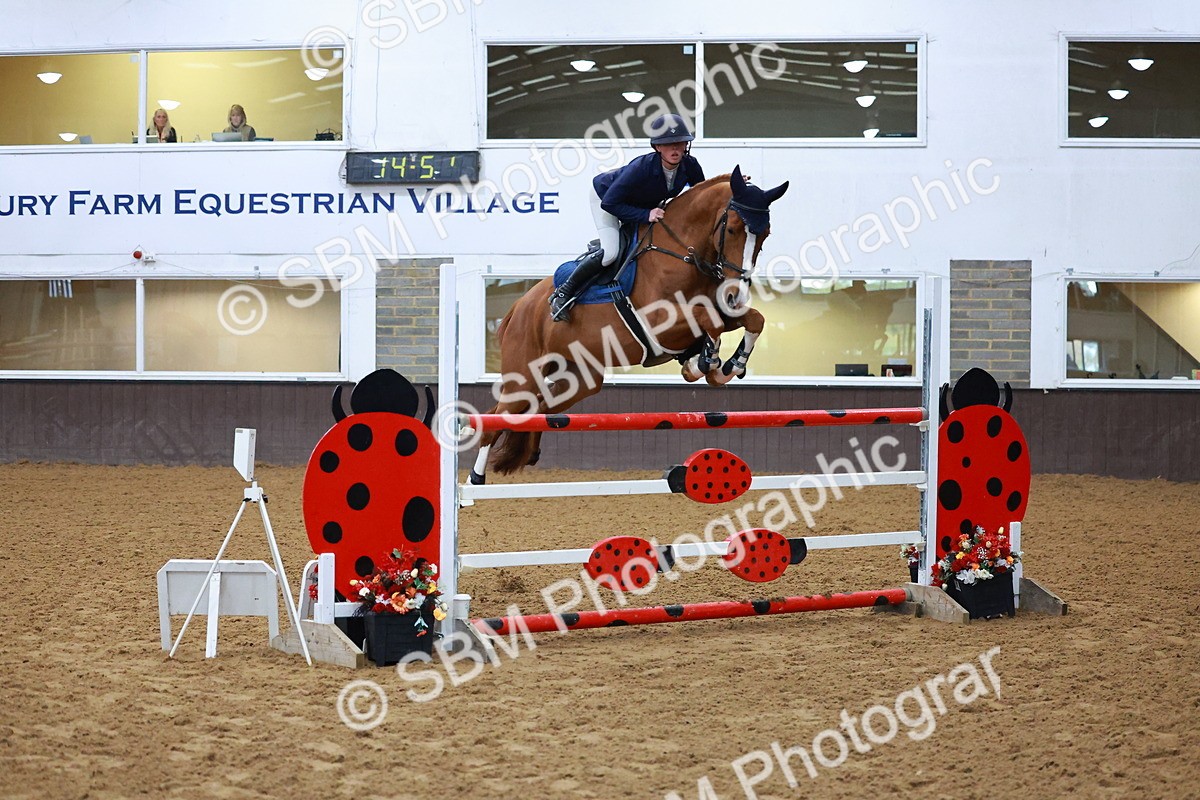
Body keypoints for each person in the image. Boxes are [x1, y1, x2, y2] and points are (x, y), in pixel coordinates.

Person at [549, 113, 705, 321]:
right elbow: (610, 203)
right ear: (657, 147)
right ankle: (563, 294)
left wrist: (733, 187)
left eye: (679, 143)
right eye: (668, 144)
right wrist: (645, 214)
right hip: (606, 198)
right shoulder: (641, 168)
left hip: (639, 204)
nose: (675, 149)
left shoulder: (690, 165)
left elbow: (701, 193)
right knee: (611, 254)